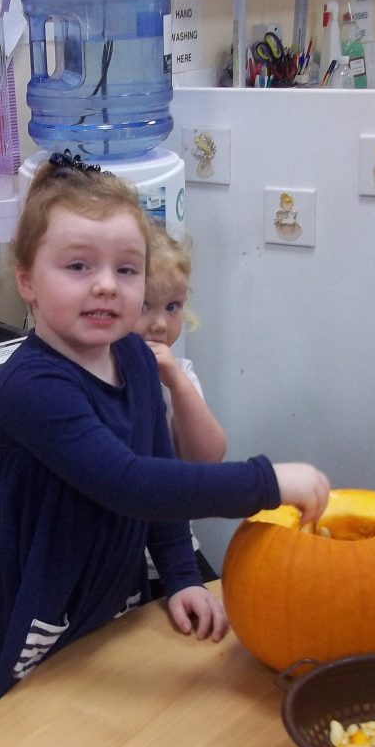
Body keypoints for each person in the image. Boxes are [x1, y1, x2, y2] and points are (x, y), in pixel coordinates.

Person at [0, 152, 330, 739]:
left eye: (127, 269)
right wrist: (267, 483)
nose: (106, 284)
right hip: (18, 604)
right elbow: (131, 483)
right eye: (78, 265)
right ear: (26, 281)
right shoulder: (32, 387)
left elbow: (157, 468)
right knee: (7, 741)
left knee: (92, 734)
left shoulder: (135, 358)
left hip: (95, 593)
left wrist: (181, 575)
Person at [136, 227, 225, 594]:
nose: (160, 323)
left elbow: (209, 457)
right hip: (120, 566)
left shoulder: (180, 376)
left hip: (175, 552)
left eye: (172, 307)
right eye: (144, 306)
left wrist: (177, 383)